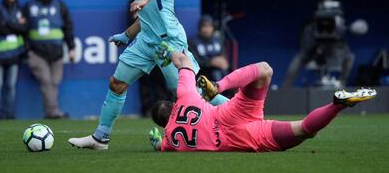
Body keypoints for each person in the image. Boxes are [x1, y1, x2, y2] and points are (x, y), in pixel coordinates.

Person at [68, 0, 229, 150]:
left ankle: (238, 113)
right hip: (147, 41)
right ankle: (100, 138)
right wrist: (126, 35)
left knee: (190, 93)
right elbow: (146, 17)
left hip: (167, 41)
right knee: (117, 83)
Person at [148, 44, 377, 152]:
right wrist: (170, 54)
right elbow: (184, 62)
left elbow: (159, 145)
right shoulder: (185, 97)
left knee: (305, 130)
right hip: (229, 114)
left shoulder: (171, 140)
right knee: (264, 69)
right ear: (171, 104)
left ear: (163, 124)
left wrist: (156, 140)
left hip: (238, 139)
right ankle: (219, 85)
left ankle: (337, 105)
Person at [24, 0, 76, 119]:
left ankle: (50, 112)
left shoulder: (59, 5)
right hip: (36, 53)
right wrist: (27, 50)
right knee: (46, 82)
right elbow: (23, 29)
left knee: (55, 83)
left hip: (57, 52)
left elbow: (68, 27)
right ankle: (54, 111)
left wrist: (71, 48)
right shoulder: (29, 6)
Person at [189, 15, 229, 82]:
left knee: (226, 74)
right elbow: (194, 63)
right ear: (200, 28)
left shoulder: (218, 40)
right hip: (202, 74)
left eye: (209, 26)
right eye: (204, 26)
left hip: (219, 70)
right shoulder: (192, 42)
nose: (207, 29)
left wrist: (223, 62)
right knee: (216, 74)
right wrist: (210, 62)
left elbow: (223, 57)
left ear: (213, 28)